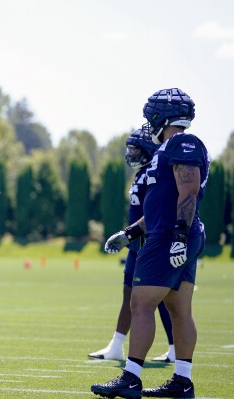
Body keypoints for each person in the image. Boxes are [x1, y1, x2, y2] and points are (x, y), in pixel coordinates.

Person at [92, 88, 209, 399]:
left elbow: (189, 193)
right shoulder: (166, 149)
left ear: (160, 117)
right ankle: (183, 381)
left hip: (170, 236)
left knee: (141, 304)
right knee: (178, 309)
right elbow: (159, 206)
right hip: (169, 232)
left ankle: (130, 377)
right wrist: (129, 233)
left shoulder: (182, 142)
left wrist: (179, 238)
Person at [88, 129, 175, 363]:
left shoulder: (154, 173)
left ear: (148, 150)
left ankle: (174, 348)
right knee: (130, 294)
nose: (130, 153)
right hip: (135, 244)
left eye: (135, 148)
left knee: (160, 298)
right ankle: (116, 346)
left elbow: (155, 211)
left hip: (149, 244)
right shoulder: (141, 174)